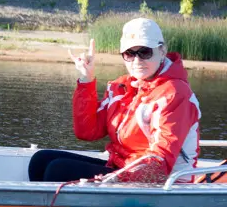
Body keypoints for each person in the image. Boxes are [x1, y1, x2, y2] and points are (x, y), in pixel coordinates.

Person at [29, 17, 201, 183]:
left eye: (145, 52)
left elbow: (160, 162)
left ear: (162, 50)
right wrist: (86, 79)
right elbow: (86, 132)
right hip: (123, 168)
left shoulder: (175, 94)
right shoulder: (123, 86)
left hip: (161, 182)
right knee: (41, 160)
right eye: (129, 54)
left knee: (58, 170)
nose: (137, 60)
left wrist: (117, 179)